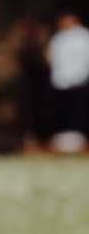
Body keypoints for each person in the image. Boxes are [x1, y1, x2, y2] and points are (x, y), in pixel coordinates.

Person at [49, 10, 89, 154]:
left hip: (79, 81)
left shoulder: (84, 36)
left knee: (78, 112)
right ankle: (65, 141)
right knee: (63, 112)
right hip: (61, 82)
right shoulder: (58, 38)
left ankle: (79, 140)